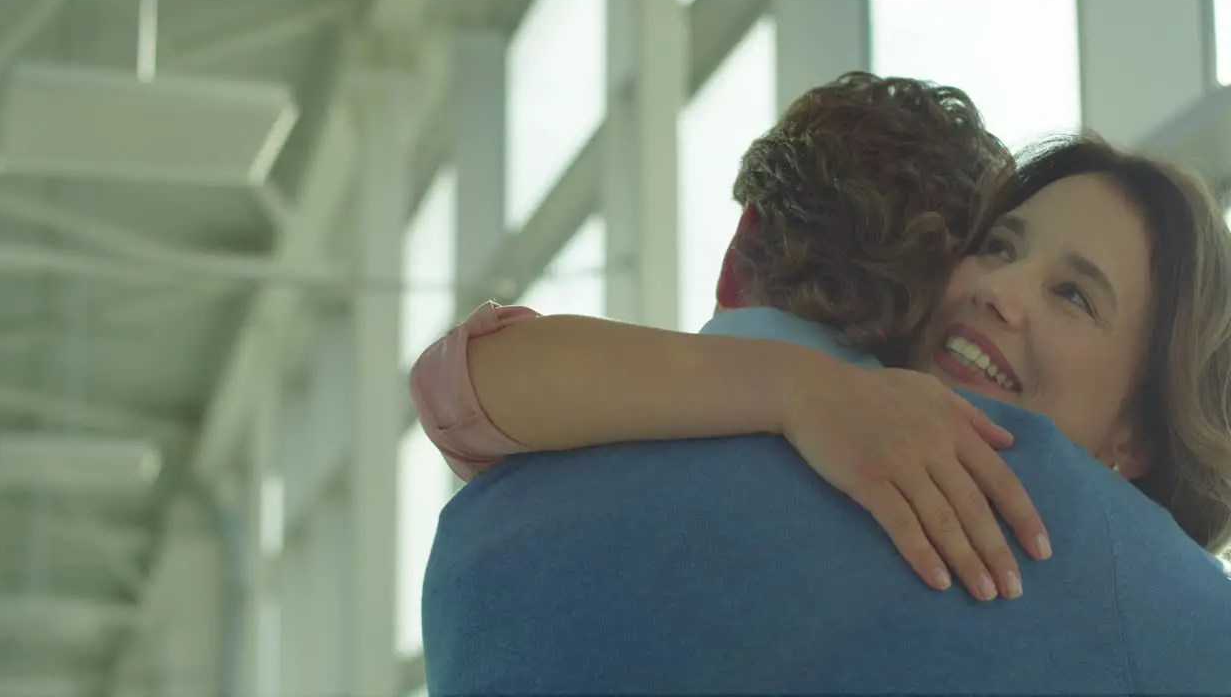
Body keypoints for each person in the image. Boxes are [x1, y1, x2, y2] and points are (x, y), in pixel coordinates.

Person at [415, 81, 1231, 693]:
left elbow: (457, 384)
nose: (1002, 291)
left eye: (1074, 295)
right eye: (1001, 246)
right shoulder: (1161, 610)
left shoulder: (487, 519)